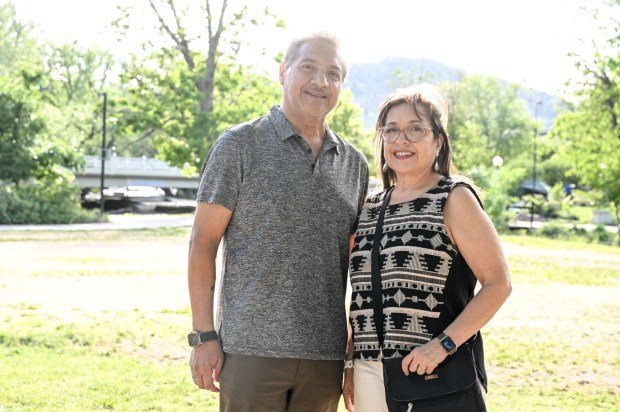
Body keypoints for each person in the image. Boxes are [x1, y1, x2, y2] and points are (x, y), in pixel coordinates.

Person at [187, 32, 369, 412]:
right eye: (308, 68)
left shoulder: (354, 165)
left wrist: (351, 353)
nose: (321, 82)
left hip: (325, 355)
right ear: (284, 72)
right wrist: (203, 336)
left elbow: (356, 266)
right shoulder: (238, 145)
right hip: (251, 350)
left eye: (333, 74)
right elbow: (203, 244)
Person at [343, 84, 512, 411]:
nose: (401, 140)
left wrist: (442, 345)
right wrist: (352, 363)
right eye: (391, 131)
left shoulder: (454, 198)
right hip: (369, 372)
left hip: (434, 373)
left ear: (438, 141)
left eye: (415, 129)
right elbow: (362, 295)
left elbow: (498, 284)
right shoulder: (369, 206)